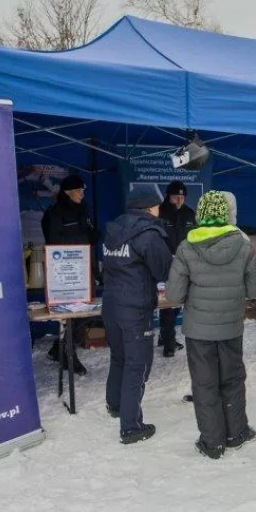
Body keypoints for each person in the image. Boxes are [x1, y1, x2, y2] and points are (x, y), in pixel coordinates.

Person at [165, 191, 256, 459]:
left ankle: (212, 443)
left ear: (200, 214)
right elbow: (255, 289)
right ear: (225, 215)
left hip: (199, 331)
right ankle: (236, 433)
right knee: (233, 380)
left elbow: (173, 295)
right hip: (231, 327)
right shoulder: (243, 245)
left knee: (204, 383)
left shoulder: (186, 247)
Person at [102, 184, 173, 444]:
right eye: (157, 204)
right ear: (148, 206)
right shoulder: (148, 233)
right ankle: (131, 426)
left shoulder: (113, 230)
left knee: (119, 356)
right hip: (134, 307)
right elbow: (164, 269)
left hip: (111, 304)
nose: (159, 209)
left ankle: (116, 405)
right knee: (138, 363)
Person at [42, 174, 98, 374]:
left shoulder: (84, 209)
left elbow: (90, 233)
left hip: (83, 266)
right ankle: (67, 356)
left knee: (82, 312)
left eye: (83, 190)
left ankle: (59, 349)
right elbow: (52, 239)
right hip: (65, 271)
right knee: (69, 313)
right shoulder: (55, 212)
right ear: (67, 192)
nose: (82, 193)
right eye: (78, 190)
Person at [158, 181, 197, 358]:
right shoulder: (160, 212)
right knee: (167, 302)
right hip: (164, 264)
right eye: (176, 197)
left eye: (182, 197)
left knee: (177, 303)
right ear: (168, 196)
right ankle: (168, 343)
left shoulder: (190, 214)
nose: (179, 200)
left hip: (184, 264)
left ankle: (164, 336)